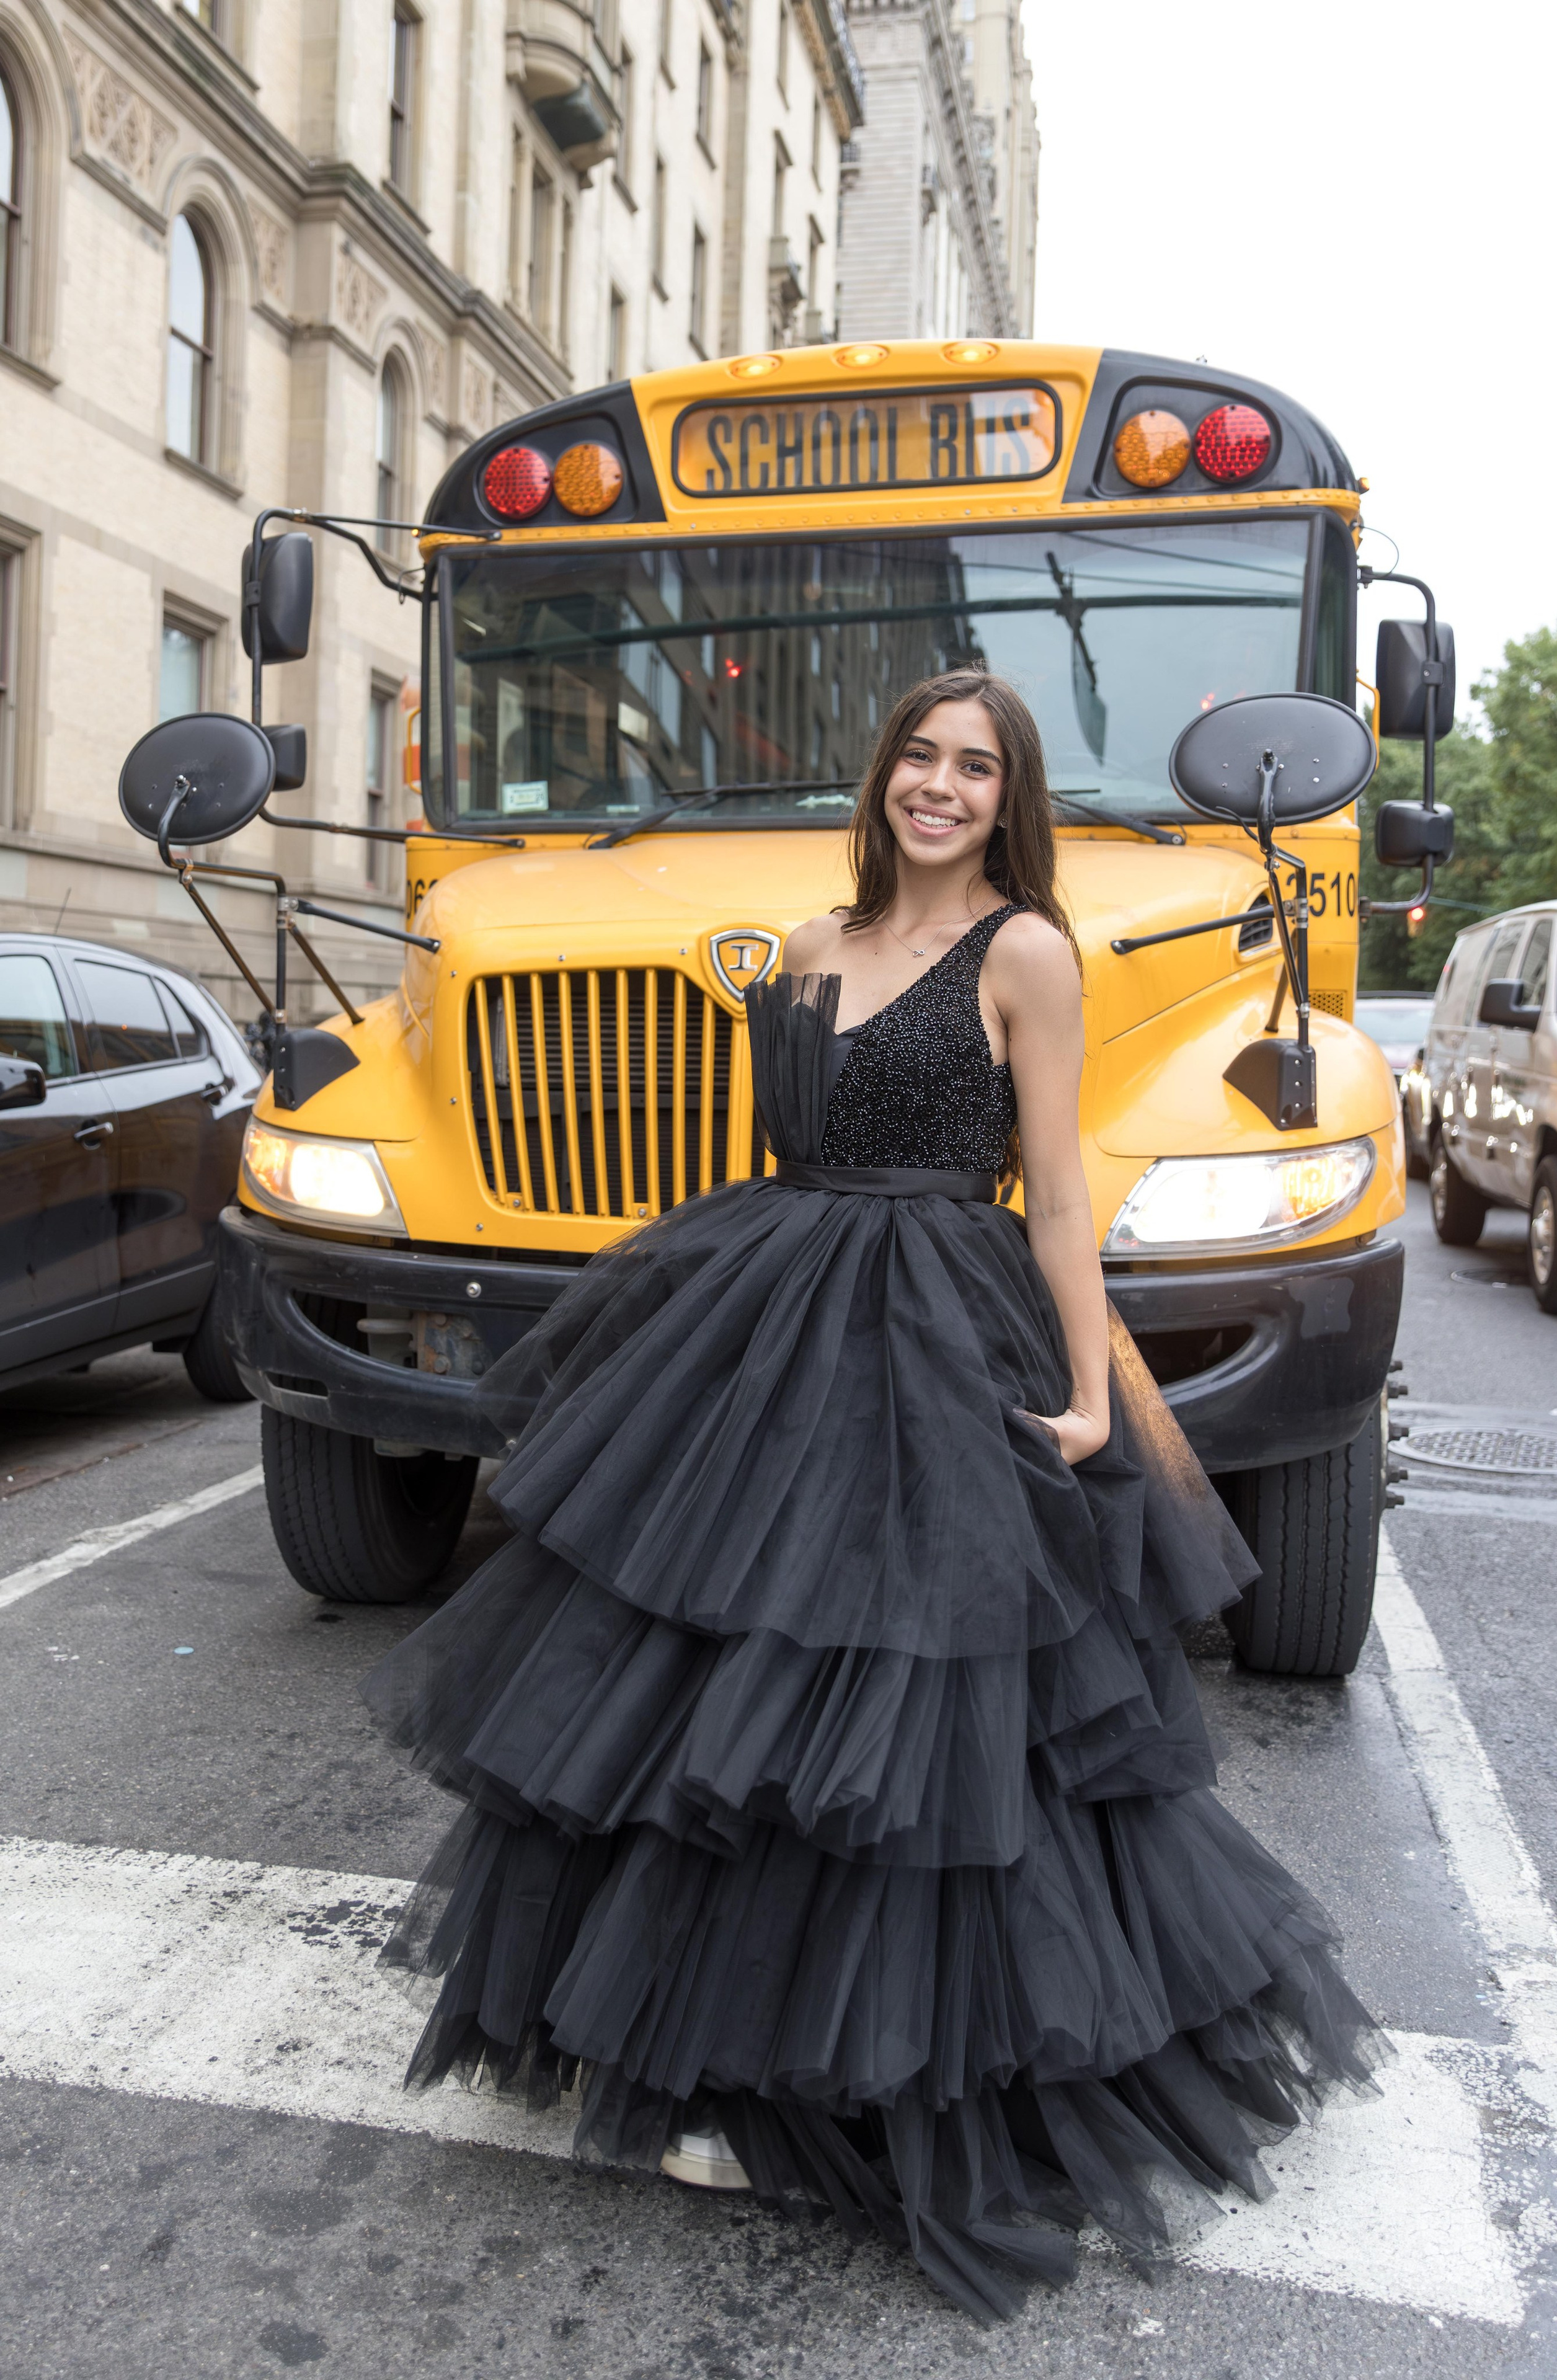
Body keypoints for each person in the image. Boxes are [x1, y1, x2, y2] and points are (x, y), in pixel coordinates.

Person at [362, 669, 1384, 2323]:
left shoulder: (1031, 953)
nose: (941, 785)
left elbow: (1056, 1193)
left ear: (1008, 796)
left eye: (976, 767)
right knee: (719, 1686)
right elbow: (787, 1151)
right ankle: (714, 2040)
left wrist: (1078, 1388)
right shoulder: (818, 944)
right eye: (921, 755)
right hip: (775, 1308)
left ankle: (888, 2064)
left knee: (933, 1707)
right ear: (883, 773)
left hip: (938, 1323)